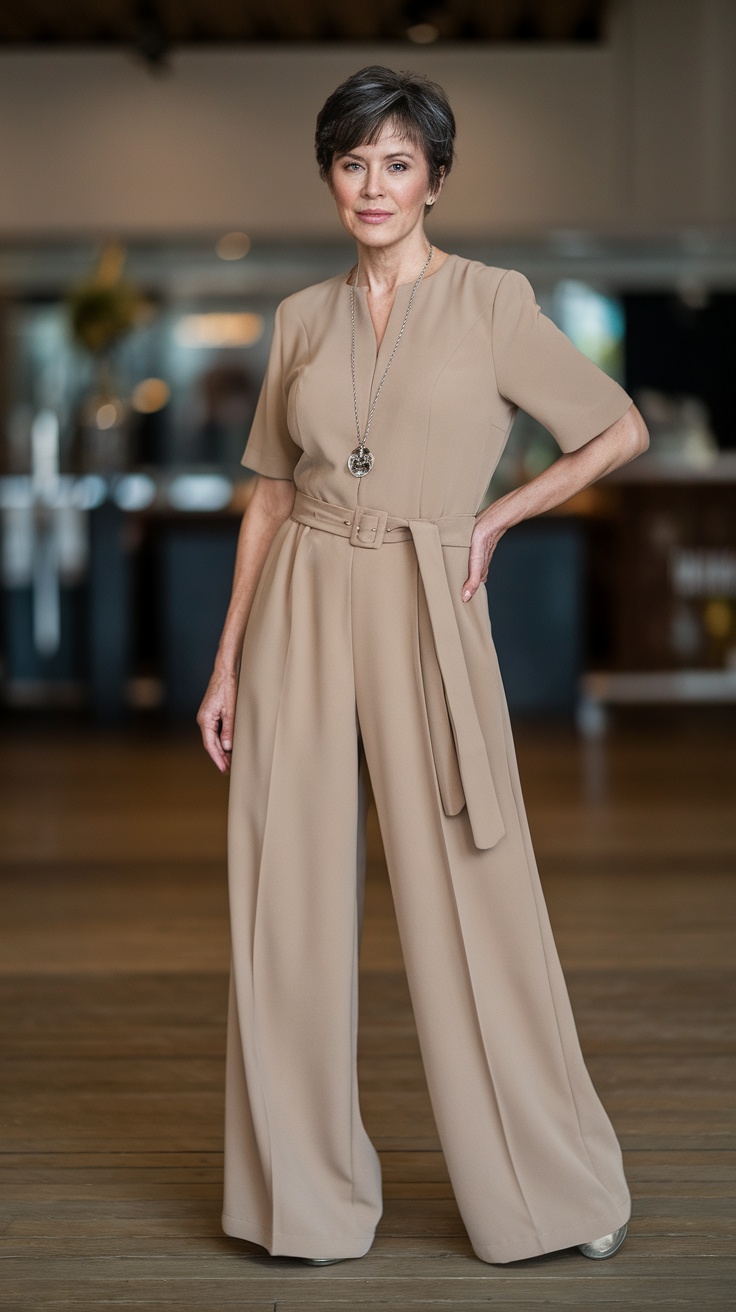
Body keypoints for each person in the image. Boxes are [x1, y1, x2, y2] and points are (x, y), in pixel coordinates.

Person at [197, 64, 649, 1268]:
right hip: (300, 594)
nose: (373, 184)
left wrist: (498, 518)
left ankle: (551, 1193)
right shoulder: (299, 318)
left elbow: (618, 428)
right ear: (331, 179)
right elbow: (269, 497)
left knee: (472, 885)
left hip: (425, 591)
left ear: (435, 180)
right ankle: (303, 1201)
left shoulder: (494, 301)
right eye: (352, 163)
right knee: (281, 899)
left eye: (397, 162)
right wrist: (227, 658)